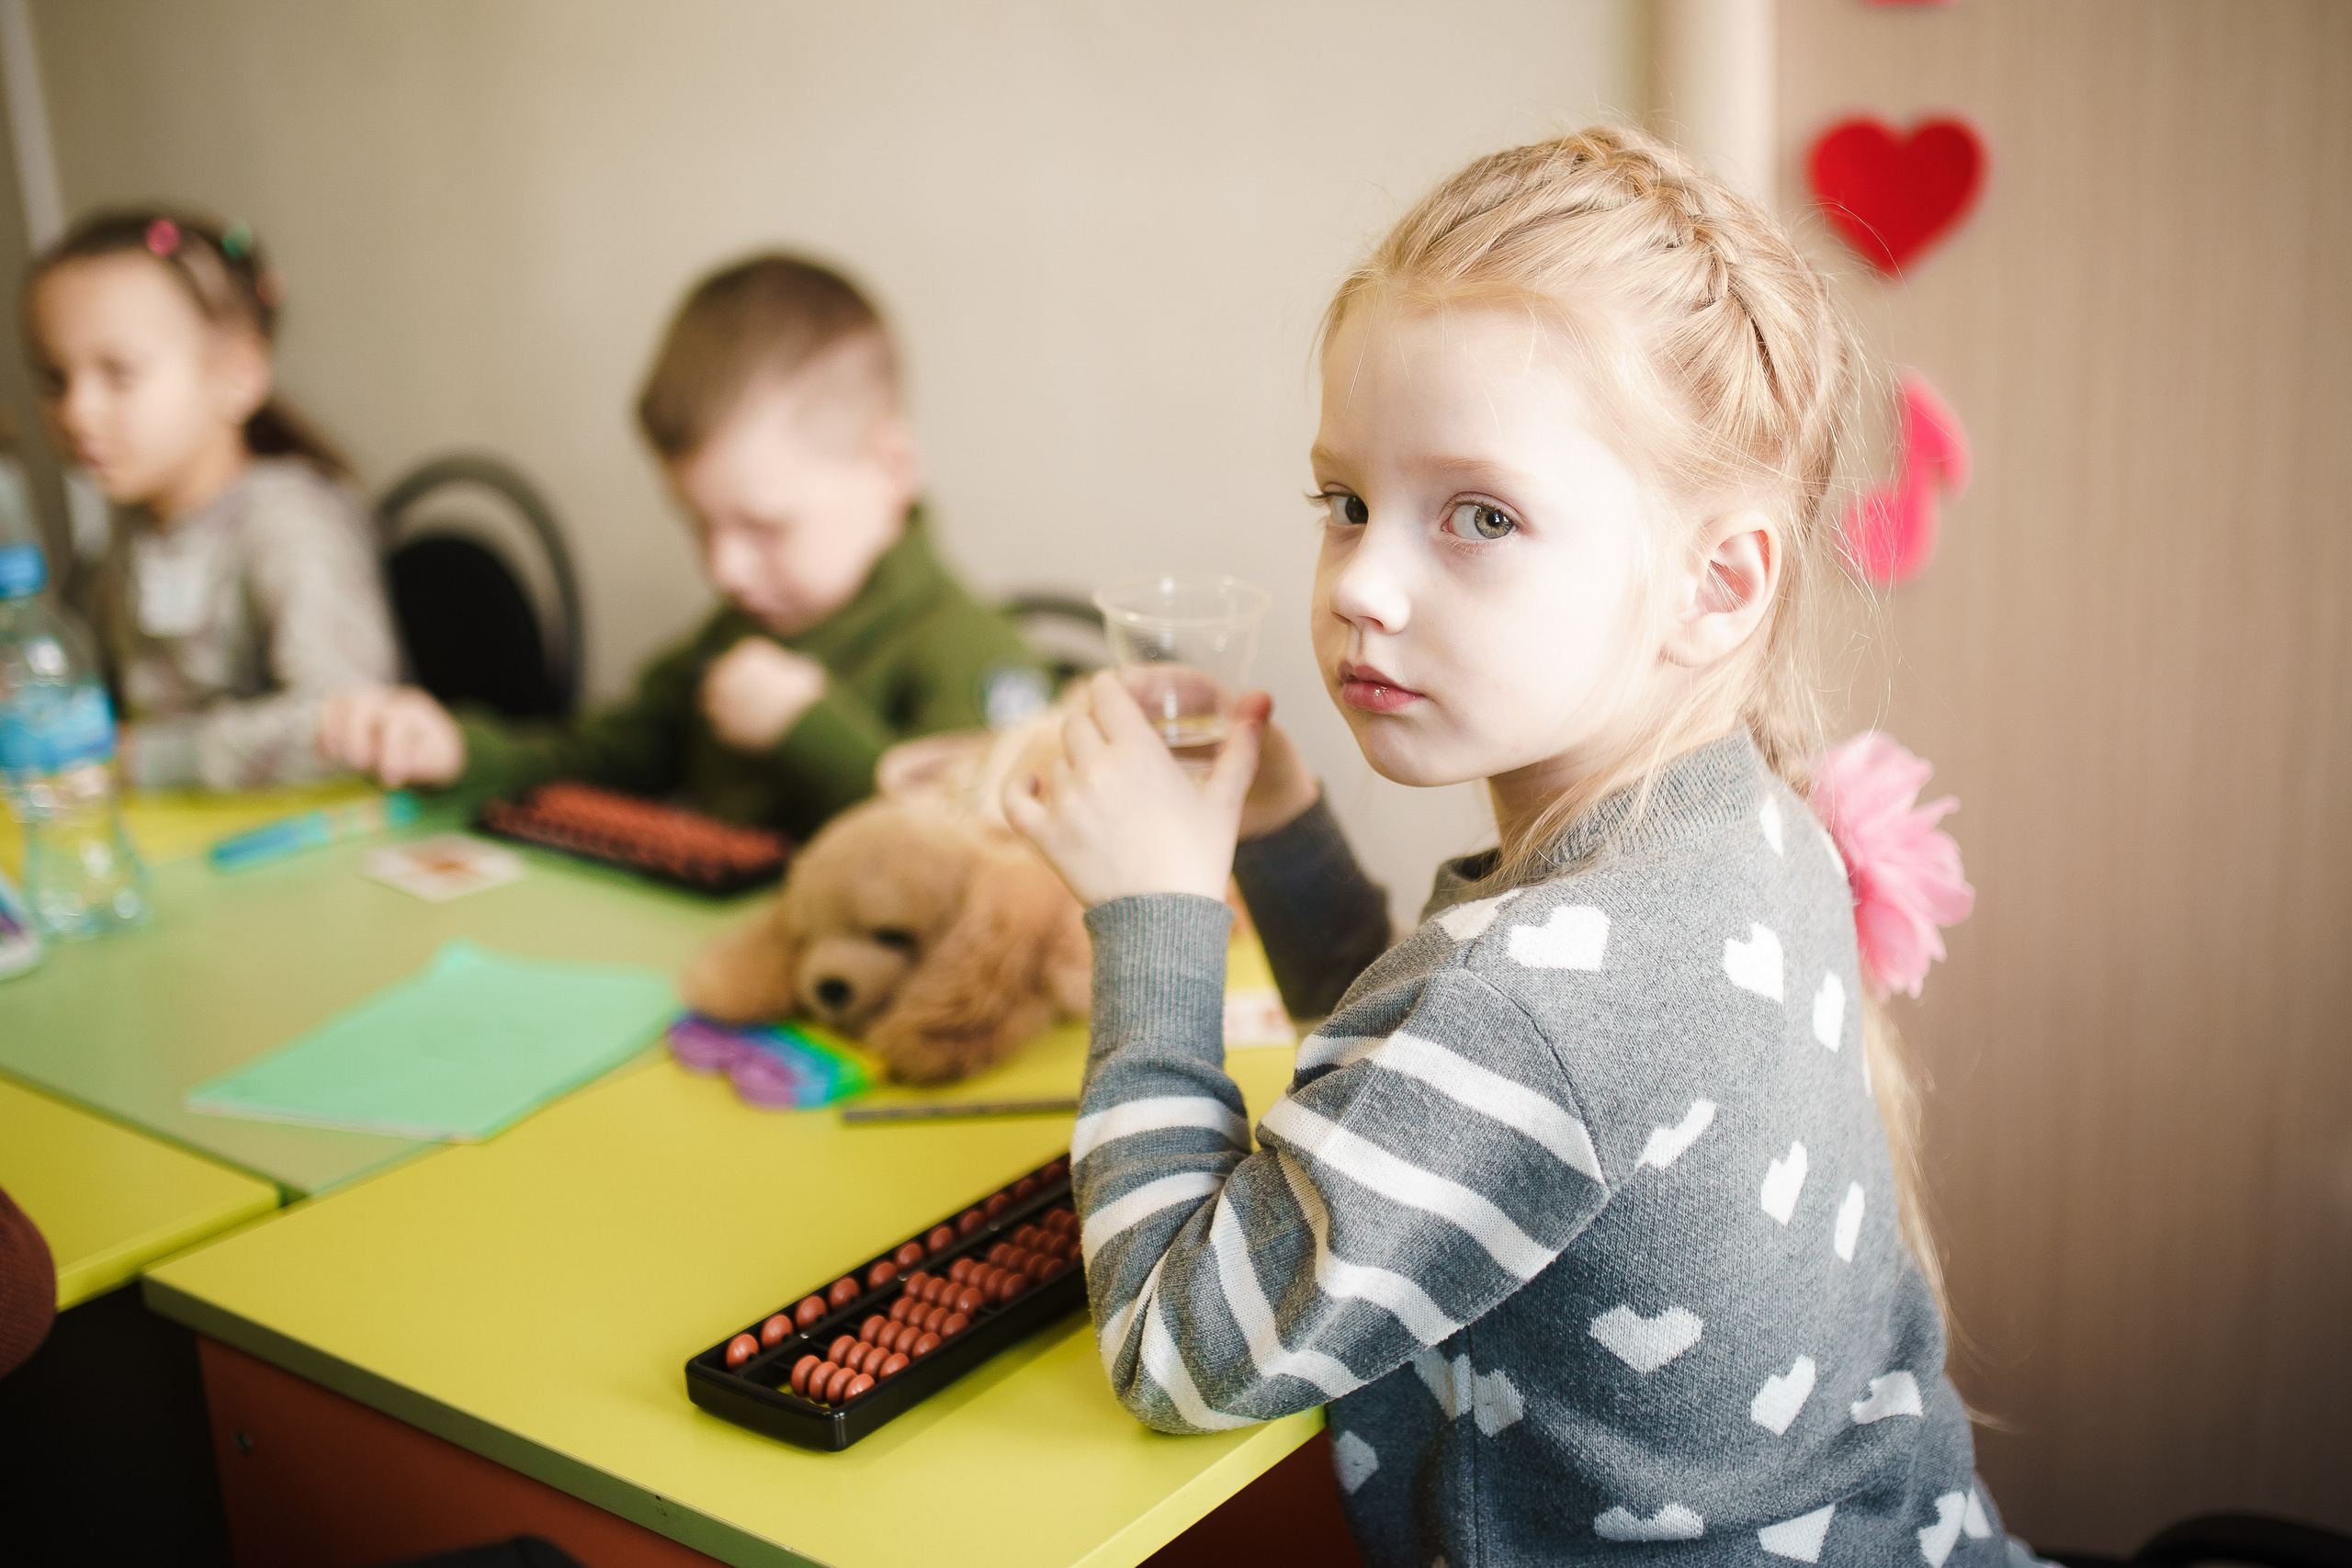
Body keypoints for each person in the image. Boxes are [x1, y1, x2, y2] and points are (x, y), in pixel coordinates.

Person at [1006, 130, 2023, 1565]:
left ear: (1715, 582)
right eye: (1346, 502)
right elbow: (1440, 1099)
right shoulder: (1743, 827)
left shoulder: (1543, 997)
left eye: (1478, 515)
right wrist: (1285, 840)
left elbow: (1184, 1345)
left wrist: (1155, 913)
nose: (1363, 581)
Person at [320, 254, 1046, 840]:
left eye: (764, 526)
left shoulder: (973, 653)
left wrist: (804, 728)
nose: (722, 568)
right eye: (699, 525)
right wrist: (453, 748)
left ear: (890, 470)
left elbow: (966, 850)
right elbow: (594, 759)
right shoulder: (731, 638)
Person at [25, 209, 398, 791]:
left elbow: (345, 723)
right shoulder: (128, 538)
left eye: (119, 373)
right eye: (55, 379)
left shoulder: (289, 523)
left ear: (238, 377)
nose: (76, 412)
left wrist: (139, 759)